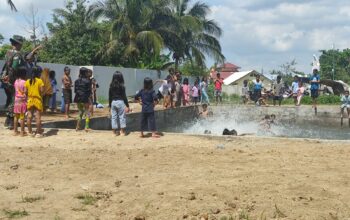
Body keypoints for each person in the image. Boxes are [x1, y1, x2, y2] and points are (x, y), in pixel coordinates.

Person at [1, 35, 26, 129]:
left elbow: (6, 66)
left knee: (10, 99)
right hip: (13, 80)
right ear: (18, 44)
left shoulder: (8, 52)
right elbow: (14, 67)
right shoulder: (17, 54)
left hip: (6, 80)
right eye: (21, 44)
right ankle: (11, 121)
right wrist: (11, 79)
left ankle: (8, 121)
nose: (21, 46)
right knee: (13, 100)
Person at [109, 71, 130, 136]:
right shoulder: (122, 86)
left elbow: (110, 96)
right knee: (122, 117)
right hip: (120, 102)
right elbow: (124, 96)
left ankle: (114, 132)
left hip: (113, 102)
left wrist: (110, 105)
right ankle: (122, 132)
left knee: (113, 117)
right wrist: (127, 105)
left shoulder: (111, 86)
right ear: (121, 78)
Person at [25, 67, 44, 137]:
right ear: (37, 73)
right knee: (37, 117)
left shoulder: (27, 81)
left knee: (29, 116)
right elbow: (42, 91)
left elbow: (25, 92)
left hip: (30, 100)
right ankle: (38, 133)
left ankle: (30, 132)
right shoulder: (39, 81)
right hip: (37, 100)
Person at [13, 67, 27, 136]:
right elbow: (25, 91)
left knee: (16, 116)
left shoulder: (16, 81)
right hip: (22, 101)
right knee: (22, 117)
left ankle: (15, 131)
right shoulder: (24, 82)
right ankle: (22, 131)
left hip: (16, 100)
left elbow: (15, 90)